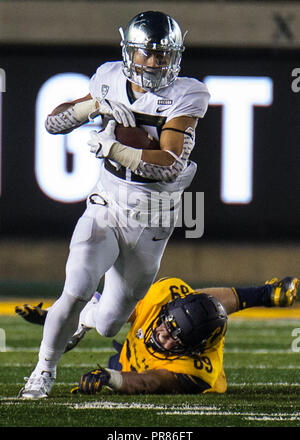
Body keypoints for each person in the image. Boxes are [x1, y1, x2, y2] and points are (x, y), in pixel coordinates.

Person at [18, 11, 210, 399]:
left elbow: (168, 167)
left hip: (152, 217)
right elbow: (53, 124)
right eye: (148, 53)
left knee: (108, 323)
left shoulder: (188, 94)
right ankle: (43, 370)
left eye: (163, 54)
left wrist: (114, 147)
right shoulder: (108, 79)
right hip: (106, 203)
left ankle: (85, 318)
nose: (155, 62)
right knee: (75, 286)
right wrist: (95, 108)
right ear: (129, 53)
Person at [16, 275, 299, 395]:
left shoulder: (199, 370)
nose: (161, 332)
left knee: (208, 313)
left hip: (133, 369)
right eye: (166, 323)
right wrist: (59, 319)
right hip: (133, 346)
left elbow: (150, 382)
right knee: (106, 306)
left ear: (192, 349)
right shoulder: (163, 299)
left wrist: (111, 378)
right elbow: (113, 313)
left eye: (172, 337)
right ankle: (268, 294)